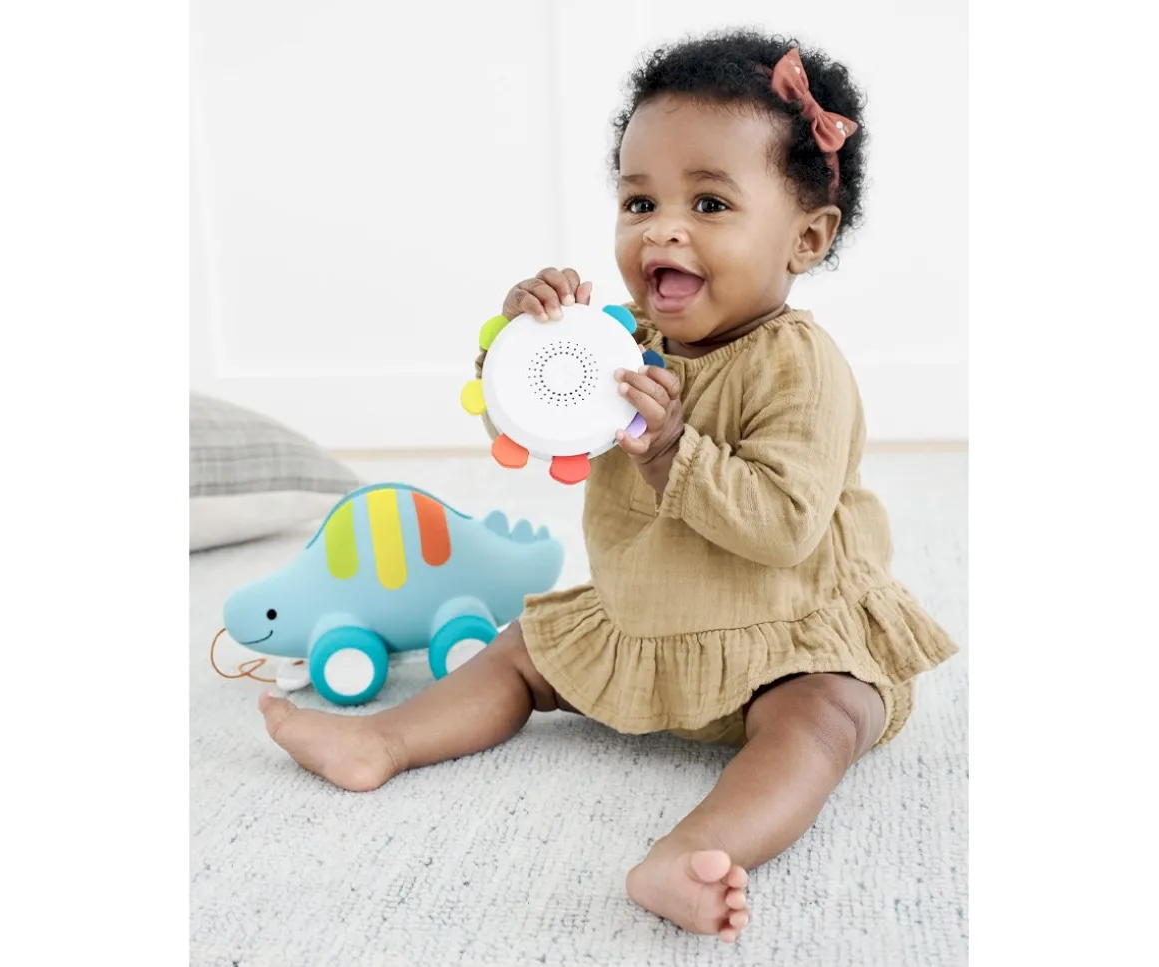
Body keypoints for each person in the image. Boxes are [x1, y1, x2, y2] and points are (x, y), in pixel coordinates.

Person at [257, 29, 958, 943]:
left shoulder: (800, 367)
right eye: (639, 201)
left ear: (807, 237)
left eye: (710, 202)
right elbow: (519, 429)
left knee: (826, 718)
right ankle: (379, 740)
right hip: (648, 618)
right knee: (521, 649)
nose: (662, 228)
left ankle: (692, 851)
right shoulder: (614, 343)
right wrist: (523, 351)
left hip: (788, 628)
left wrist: (672, 450)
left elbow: (785, 525)